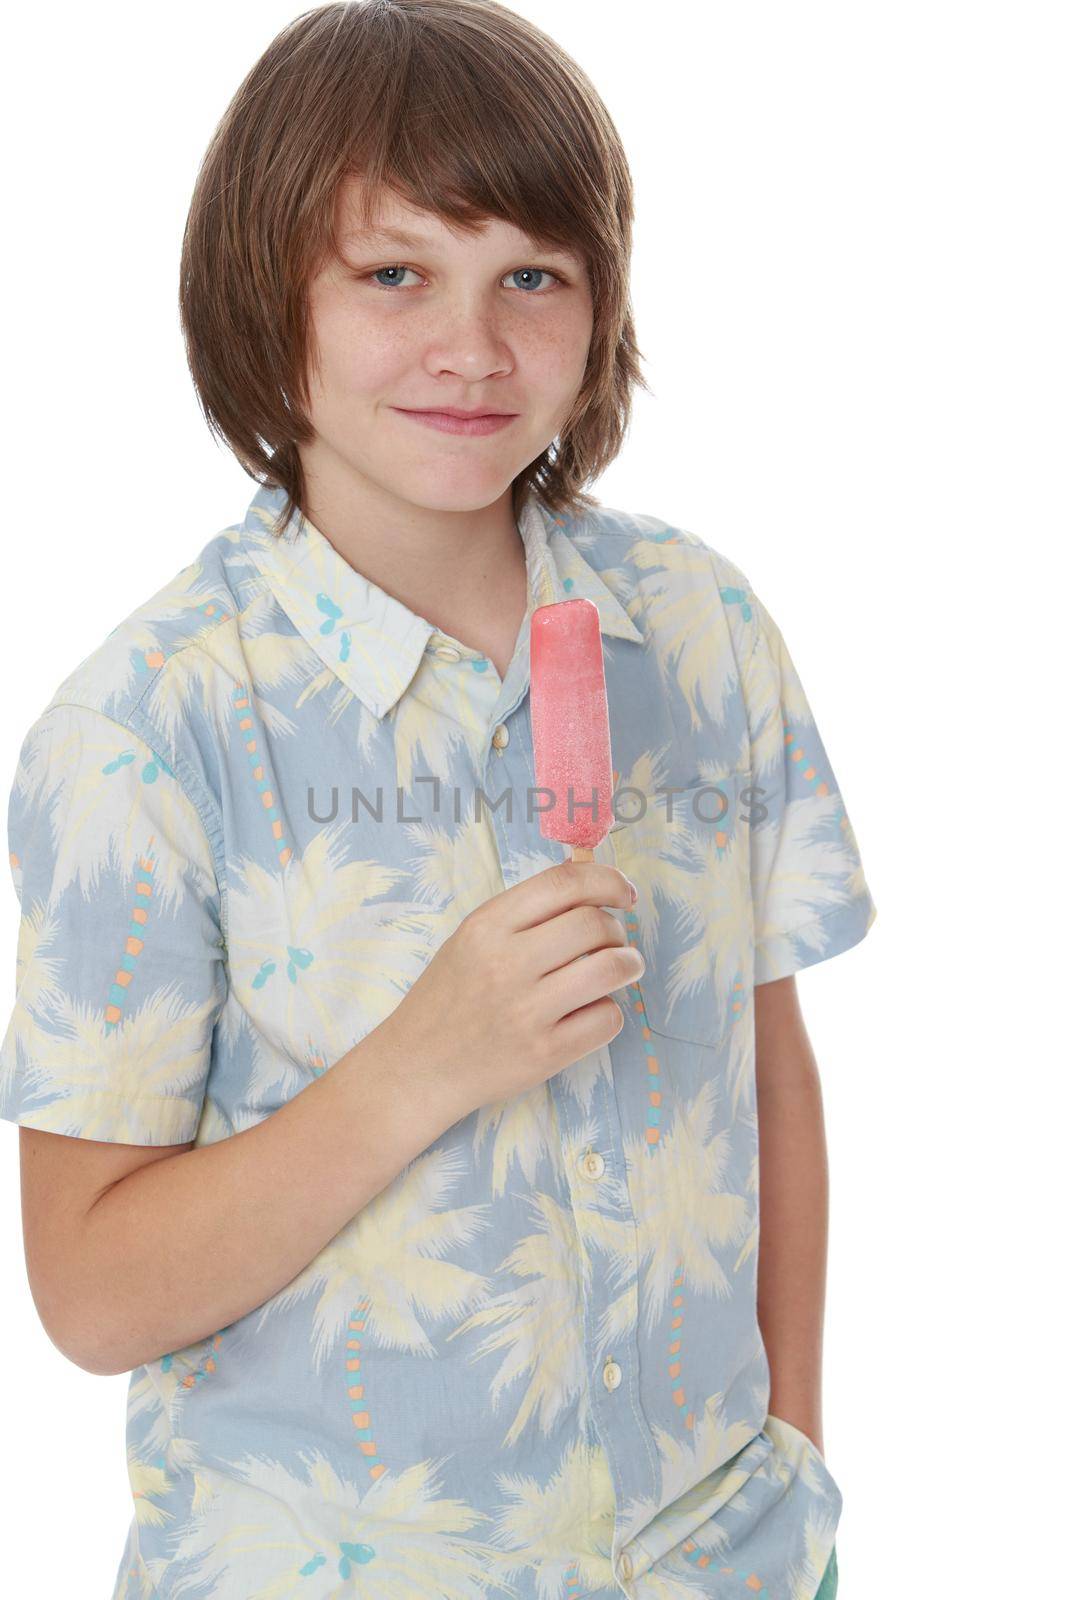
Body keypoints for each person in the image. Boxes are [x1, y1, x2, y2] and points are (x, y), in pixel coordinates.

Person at [0, 3, 874, 1597]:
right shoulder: (144, 734)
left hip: (720, 1558)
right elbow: (88, 1291)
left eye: (530, 275)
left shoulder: (698, 628)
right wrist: (424, 1065)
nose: (473, 347)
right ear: (274, 304)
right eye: (395, 273)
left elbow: (772, 1077)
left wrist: (792, 1456)